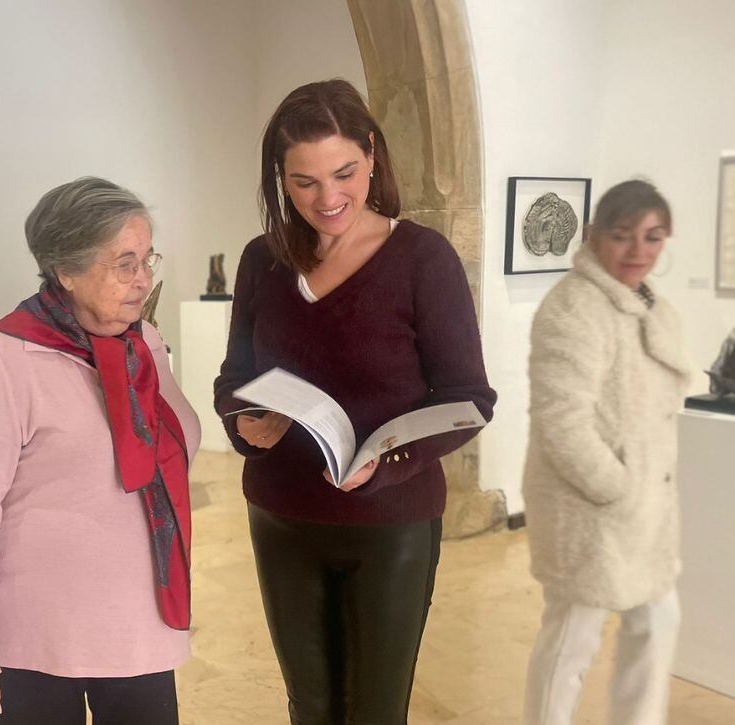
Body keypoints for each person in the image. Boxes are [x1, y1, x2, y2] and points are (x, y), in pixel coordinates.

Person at [213, 78, 496, 724]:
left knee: (374, 710)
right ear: (279, 180)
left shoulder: (424, 260)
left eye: (343, 173)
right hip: (281, 518)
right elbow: (233, 378)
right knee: (310, 706)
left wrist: (390, 461)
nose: (328, 198)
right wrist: (244, 421)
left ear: (372, 153)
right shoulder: (263, 261)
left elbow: (469, 397)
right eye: (304, 182)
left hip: (391, 525)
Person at [0, 177, 201, 725]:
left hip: (140, 625)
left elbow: (166, 453)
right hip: (37, 640)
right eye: (123, 264)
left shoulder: (143, 343)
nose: (144, 279)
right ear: (66, 272)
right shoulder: (15, 354)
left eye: (147, 258)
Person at [522, 180, 692, 725]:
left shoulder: (649, 306)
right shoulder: (574, 307)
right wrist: (616, 487)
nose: (639, 251)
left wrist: (641, 489)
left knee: (657, 622)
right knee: (572, 638)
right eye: (623, 236)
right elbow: (561, 421)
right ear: (595, 237)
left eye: (653, 237)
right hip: (589, 511)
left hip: (642, 511)